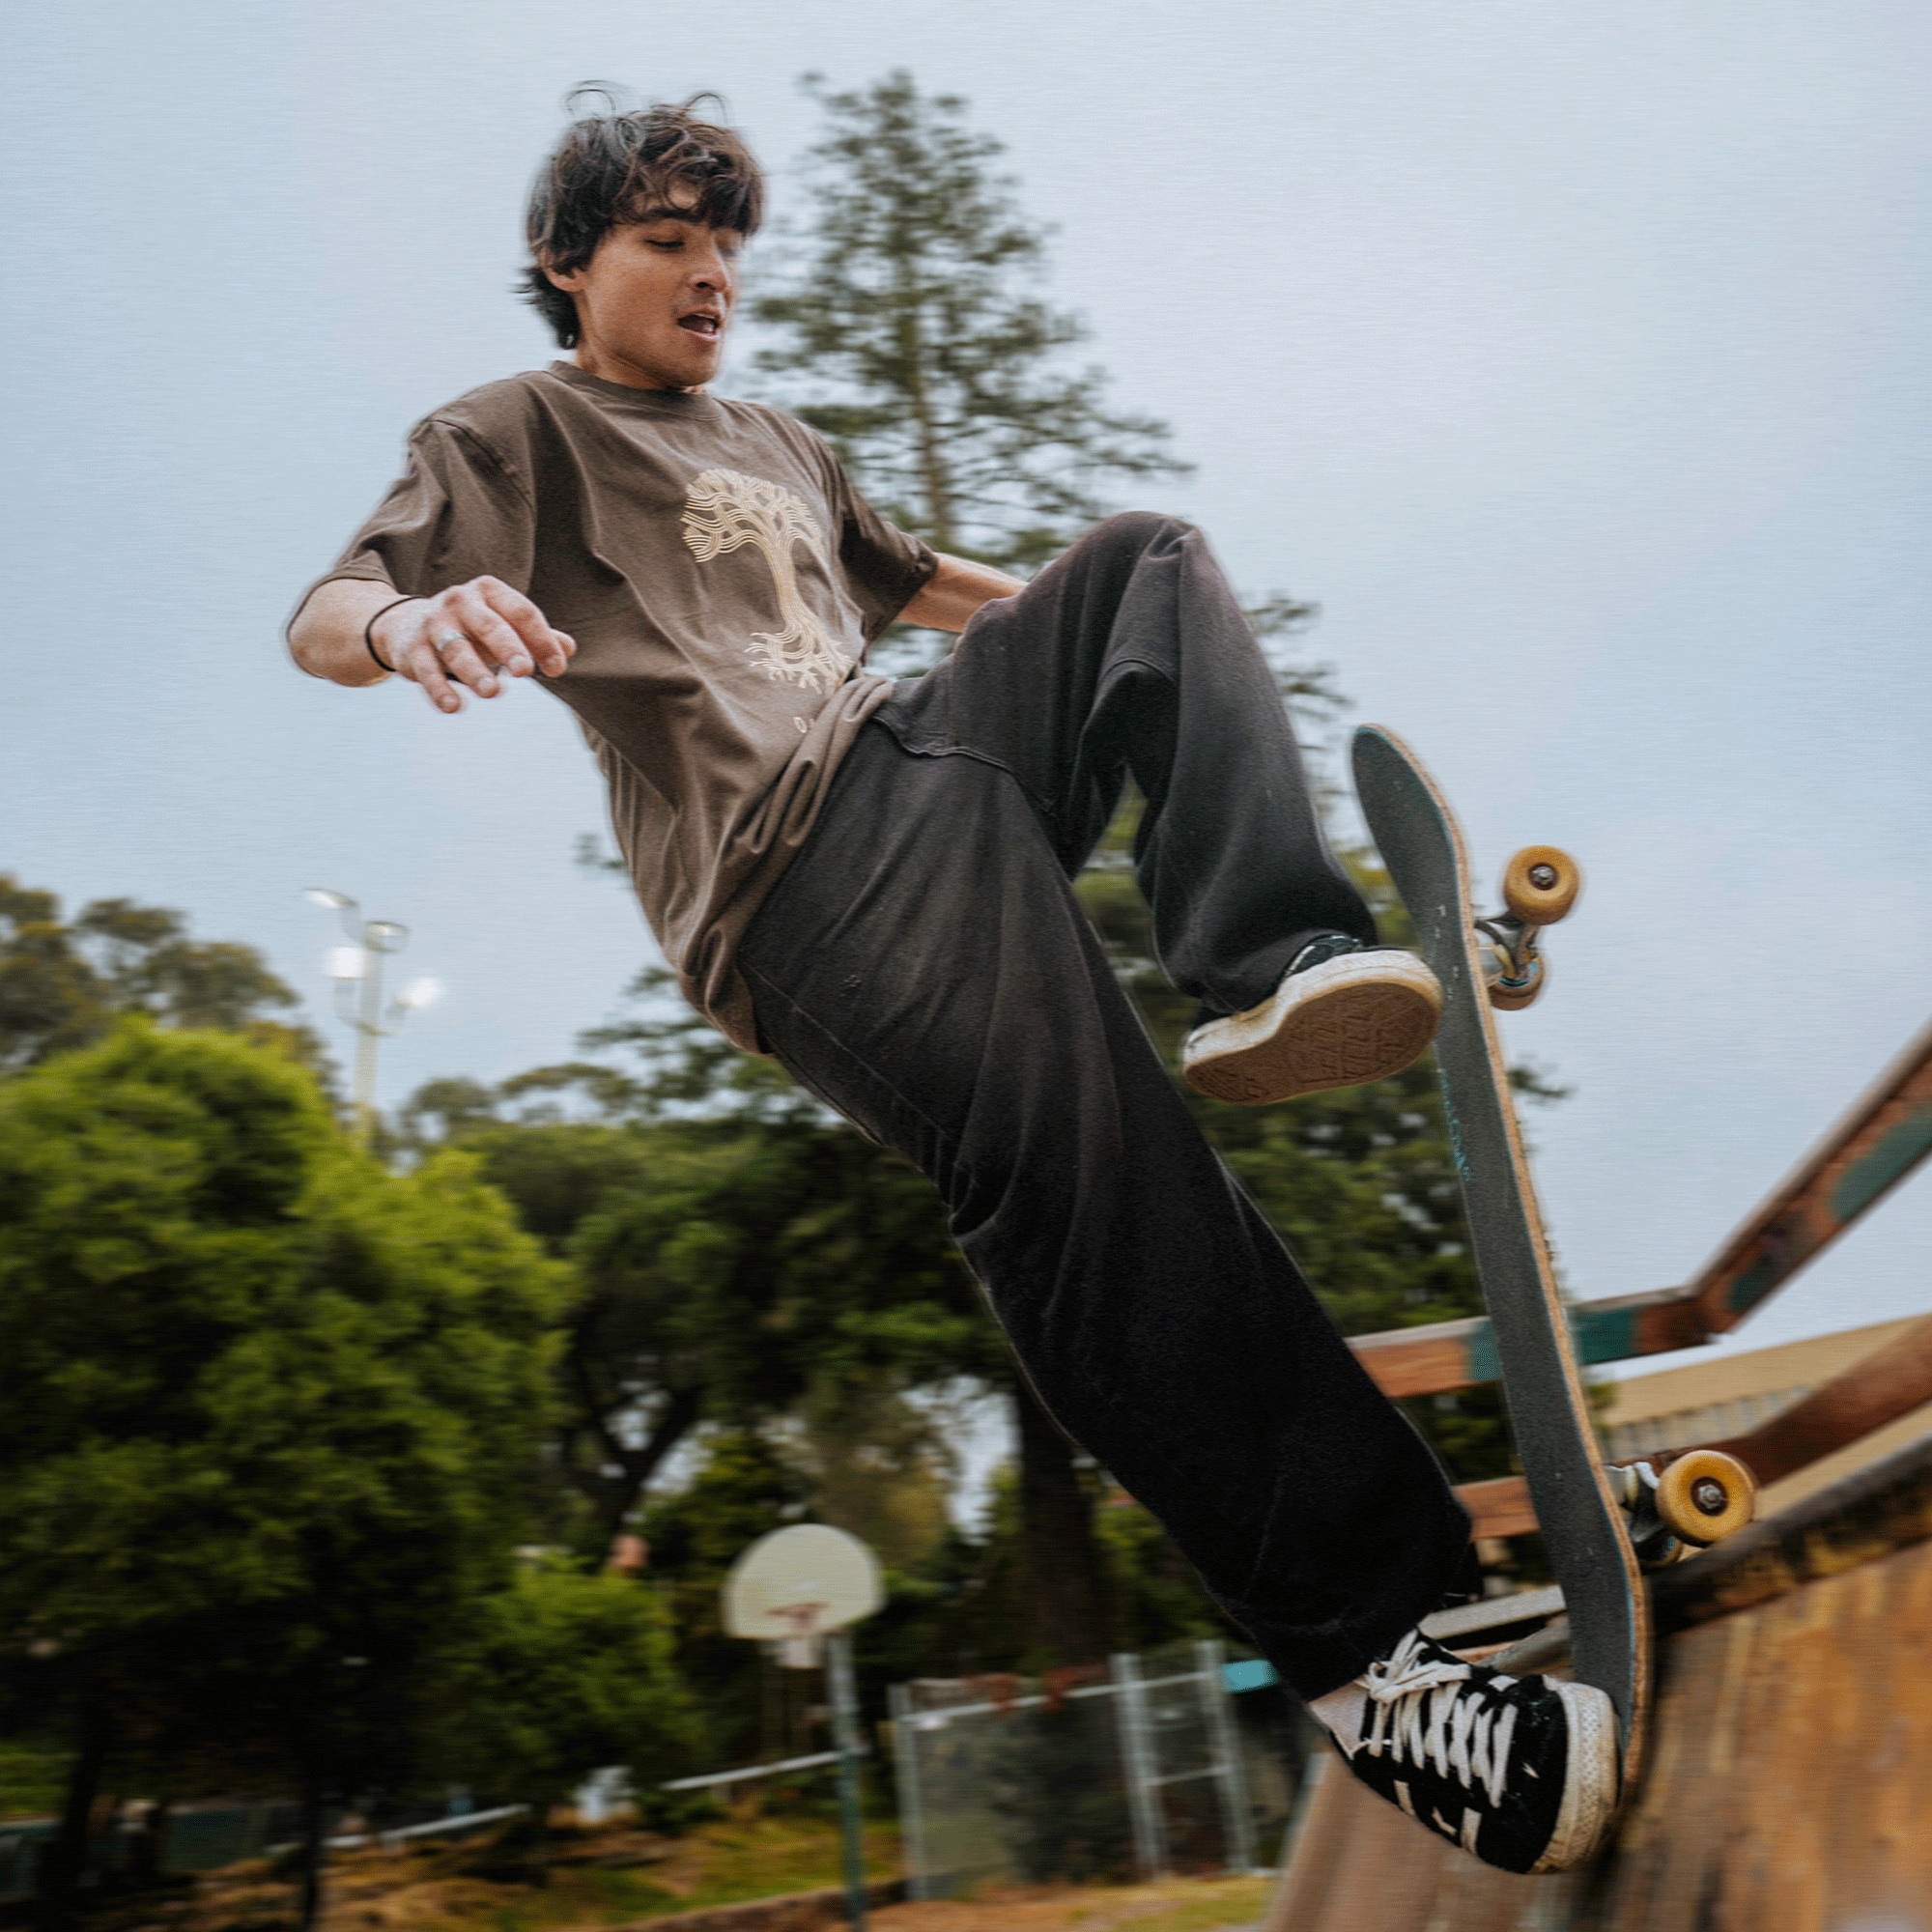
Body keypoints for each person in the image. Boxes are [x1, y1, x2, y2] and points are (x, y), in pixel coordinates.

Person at [287, 95, 1618, 1874]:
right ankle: (1378, 1669)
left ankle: (1269, 959)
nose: (709, 277)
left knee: (1144, 554)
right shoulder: (512, 431)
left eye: (727, 247)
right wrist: (402, 626)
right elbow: (332, 601)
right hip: (799, 875)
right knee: (1096, 1178)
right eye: (668, 241)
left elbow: (938, 597)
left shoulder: (777, 438)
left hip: (930, 765)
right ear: (567, 262)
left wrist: (1159, 646)